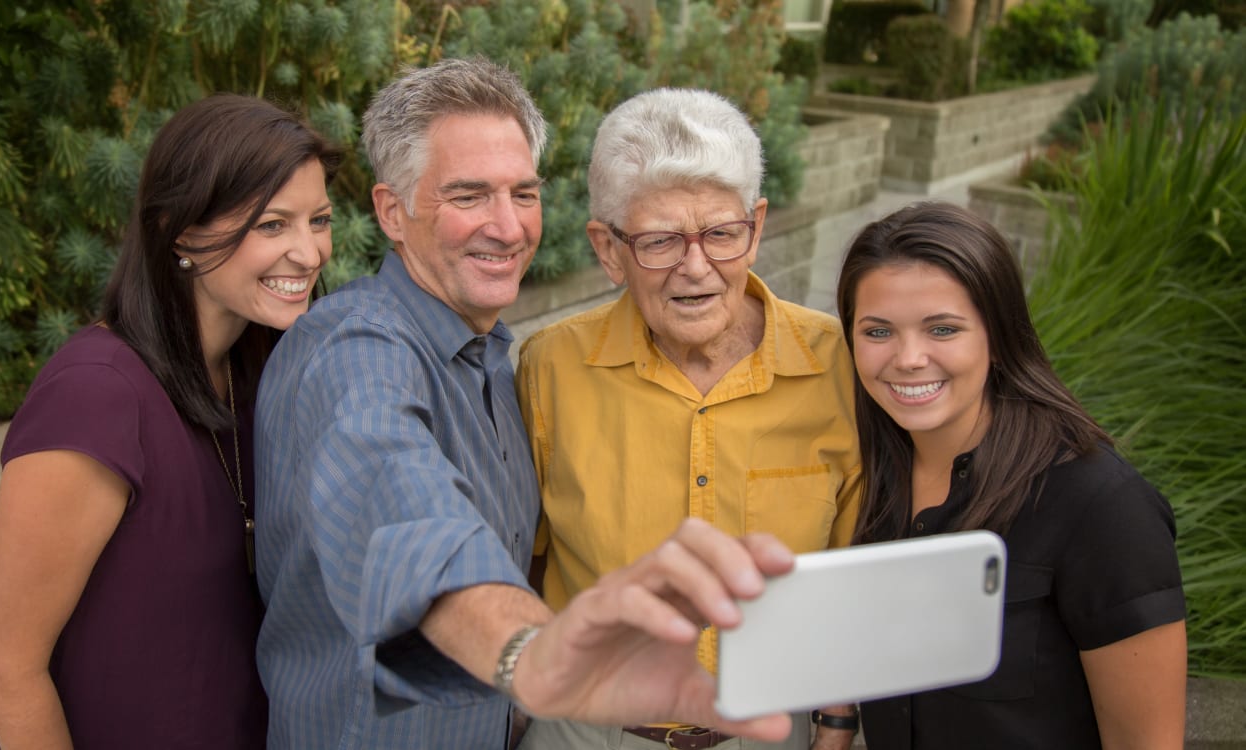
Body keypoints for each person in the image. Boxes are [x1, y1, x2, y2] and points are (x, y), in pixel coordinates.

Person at [253, 57, 799, 750]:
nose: (508, 227)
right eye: (469, 195)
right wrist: (533, 655)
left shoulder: (497, 362)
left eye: (523, 192)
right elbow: (404, 511)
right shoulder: (352, 350)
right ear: (393, 211)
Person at [0, 94, 339, 749]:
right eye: (272, 225)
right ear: (179, 230)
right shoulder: (95, 398)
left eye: (319, 219)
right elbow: (5, 667)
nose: (308, 253)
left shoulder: (265, 369)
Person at [513, 87, 864, 750]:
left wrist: (837, 722)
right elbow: (523, 562)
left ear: (755, 229)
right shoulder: (549, 369)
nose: (695, 267)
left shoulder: (838, 366)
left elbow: (848, 574)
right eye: (660, 240)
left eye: (721, 234)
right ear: (608, 249)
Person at [835, 202, 1187, 749]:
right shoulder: (868, 474)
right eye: (878, 331)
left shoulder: (1100, 505)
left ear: (998, 335)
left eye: (943, 329)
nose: (907, 358)